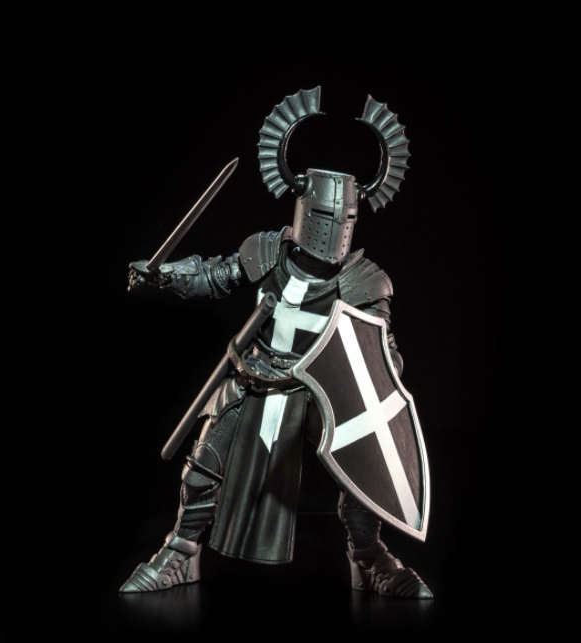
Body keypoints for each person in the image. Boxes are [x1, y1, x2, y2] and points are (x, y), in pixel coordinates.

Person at [120, 89, 432, 599]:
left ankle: (369, 558)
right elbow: (213, 276)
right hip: (256, 379)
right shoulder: (268, 252)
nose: (333, 229)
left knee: (362, 469)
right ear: (304, 207)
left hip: (319, 394)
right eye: (326, 217)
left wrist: (380, 373)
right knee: (203, 464)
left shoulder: (365, 283)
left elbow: (381, 356)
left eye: (344, 220)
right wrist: (164, 274)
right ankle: (180, 553)